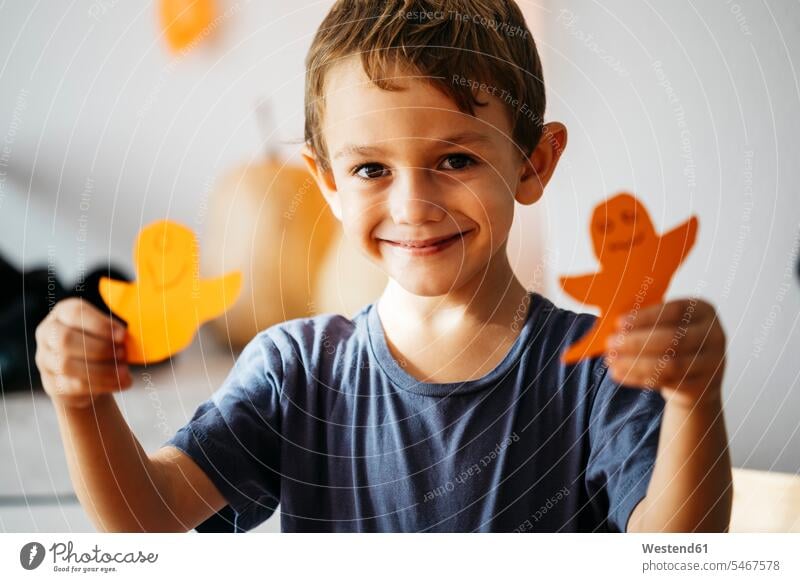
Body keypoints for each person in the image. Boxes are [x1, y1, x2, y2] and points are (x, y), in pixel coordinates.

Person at [34, 0, 731, 533]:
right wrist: (80, 402)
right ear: (327, 182)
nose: (414, 204)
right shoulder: (294, 373)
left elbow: (677, 552)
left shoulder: (602, 370)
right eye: (370, 167)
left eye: (456, 160)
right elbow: (147, 517)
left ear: (533, 162)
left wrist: (694, 401)